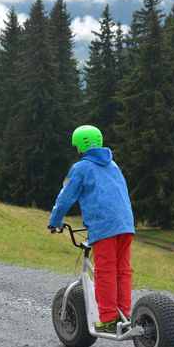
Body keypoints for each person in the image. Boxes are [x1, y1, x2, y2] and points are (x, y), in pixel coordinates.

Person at [47, 125, 135, 333]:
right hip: (126, 225)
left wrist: (55, 221)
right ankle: (125, 314)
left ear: (80, 145)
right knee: (122, 270)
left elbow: (66, 197)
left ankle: (108, 320)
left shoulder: (81, 168)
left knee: (104, 271)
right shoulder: (113, 165)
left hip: (104, 226)